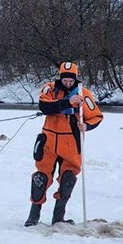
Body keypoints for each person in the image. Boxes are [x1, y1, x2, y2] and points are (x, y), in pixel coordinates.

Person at [24, 62, 103, 227]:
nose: (68, 83)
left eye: (70, 80)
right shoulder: (50, 89)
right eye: (65, 80)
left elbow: (96, 116)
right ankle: (33, 217)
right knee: (41, 178)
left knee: (68, 179)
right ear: (60, 77)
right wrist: (67, 102)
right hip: (49, 140)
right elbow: (44, 106)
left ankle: (58, 217)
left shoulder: (84, 94)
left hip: (71, 143)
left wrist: (86, 126)